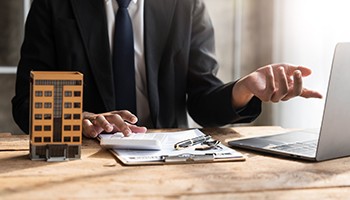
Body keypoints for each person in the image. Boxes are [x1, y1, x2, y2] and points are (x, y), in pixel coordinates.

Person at [12, 0, 322, 138]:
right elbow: (26, 104)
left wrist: (243, 89)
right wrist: (77, 119)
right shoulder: (52, 4)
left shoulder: (186, 5)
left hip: (164, 154)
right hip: (84, 155)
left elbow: (202, 100)